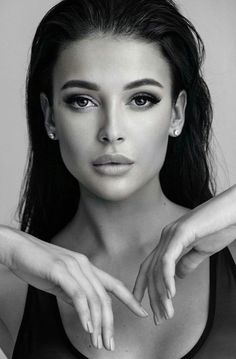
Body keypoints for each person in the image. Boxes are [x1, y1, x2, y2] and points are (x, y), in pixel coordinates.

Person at [0, 0, 235, 358]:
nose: (111, 131)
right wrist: (9, 247)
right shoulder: (13, 288)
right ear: (49, 118)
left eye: (141, 99)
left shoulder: (231, 253)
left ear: (177, 113)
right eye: (82, 101)